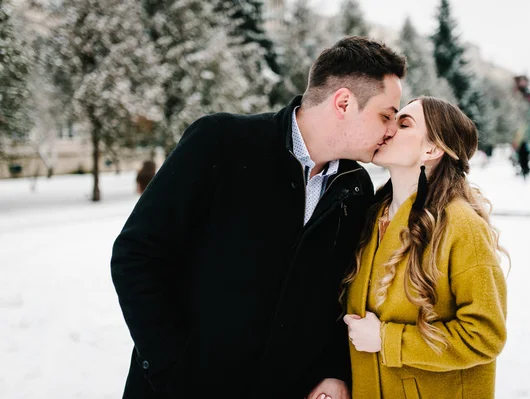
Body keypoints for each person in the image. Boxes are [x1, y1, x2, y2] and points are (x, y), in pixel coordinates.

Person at [110, 36, 407, 399]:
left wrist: (332, 370)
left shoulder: (355, 188)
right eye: (386, 115)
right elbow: (137, 255)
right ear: (343, 102)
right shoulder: (221, 142)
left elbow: (336, 296)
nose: (391, 129)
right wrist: (173, 371)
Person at [342, 97, 509, 399]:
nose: (389, 128)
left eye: (404, 123)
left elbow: (485, 336)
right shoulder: (369, 215)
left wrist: (387, 339)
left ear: (432, 149)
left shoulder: (462, 226)